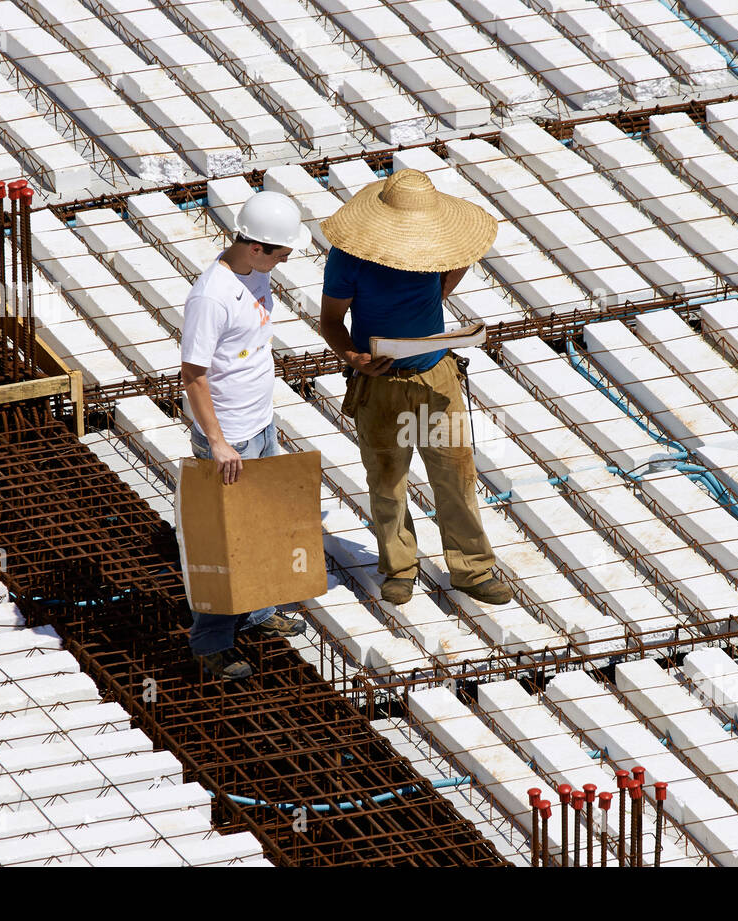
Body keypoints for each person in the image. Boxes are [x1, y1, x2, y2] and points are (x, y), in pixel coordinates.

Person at [317, 167, 512, 608]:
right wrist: (354, 359)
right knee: (388, 482)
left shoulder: (440, 245)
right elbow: (331, 322)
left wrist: (435, 296)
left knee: (455, 475)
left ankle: (472, 569)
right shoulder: (349, 258)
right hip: (381, 386)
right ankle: (400, 568)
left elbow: (462, 255)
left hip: (436, 377)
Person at [180, 190, 311, 680]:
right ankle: (210, 642)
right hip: (228, 436)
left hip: (259, 423)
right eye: (281, 253)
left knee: (259, 529)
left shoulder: (256, 273)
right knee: (223, 541)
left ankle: (255, 615)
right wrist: (217, 442)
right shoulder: (211, 296)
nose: (284, 261)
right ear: (255, 247)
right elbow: (193, 374)